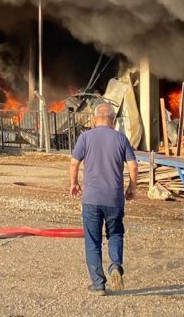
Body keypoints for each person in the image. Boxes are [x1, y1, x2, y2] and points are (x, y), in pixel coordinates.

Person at [69, 101, 138, 295]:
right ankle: (115, 265)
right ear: (113, 120)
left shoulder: (85, 137)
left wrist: (74, 183)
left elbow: (74, 164)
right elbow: (133, 166)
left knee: (93, 240)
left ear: (93, 119)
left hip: (91, 199)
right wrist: (132, 187)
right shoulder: (121, 138)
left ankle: (98, 284)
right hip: (114, 199)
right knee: (115, 234)